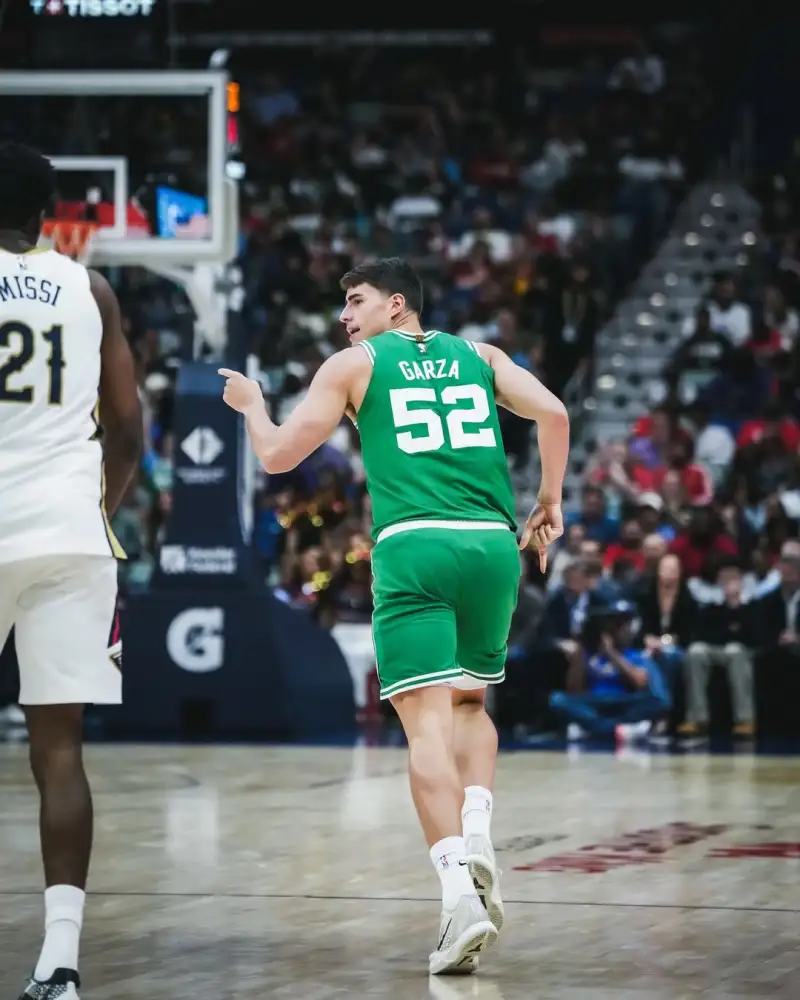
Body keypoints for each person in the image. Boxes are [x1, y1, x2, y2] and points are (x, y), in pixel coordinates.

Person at [219, 256, 569, 974]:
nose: (345, 318)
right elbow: (555, 413)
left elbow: (281, 456)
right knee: (471, 704)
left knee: (425, 729)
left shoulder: (354, 365)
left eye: (356, 301)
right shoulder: (482, 355)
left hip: (414, 547)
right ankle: (477, 838)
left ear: (397, 304)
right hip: (492, 547)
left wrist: (254, 407)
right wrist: (549, 501)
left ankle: (458, 900)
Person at [0, 142, 142, 1000]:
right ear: (49, 211)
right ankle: (60, 962)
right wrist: (99, 513)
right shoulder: (90, 289)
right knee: (60, 753)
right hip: (68, 534)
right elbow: (126, 428)